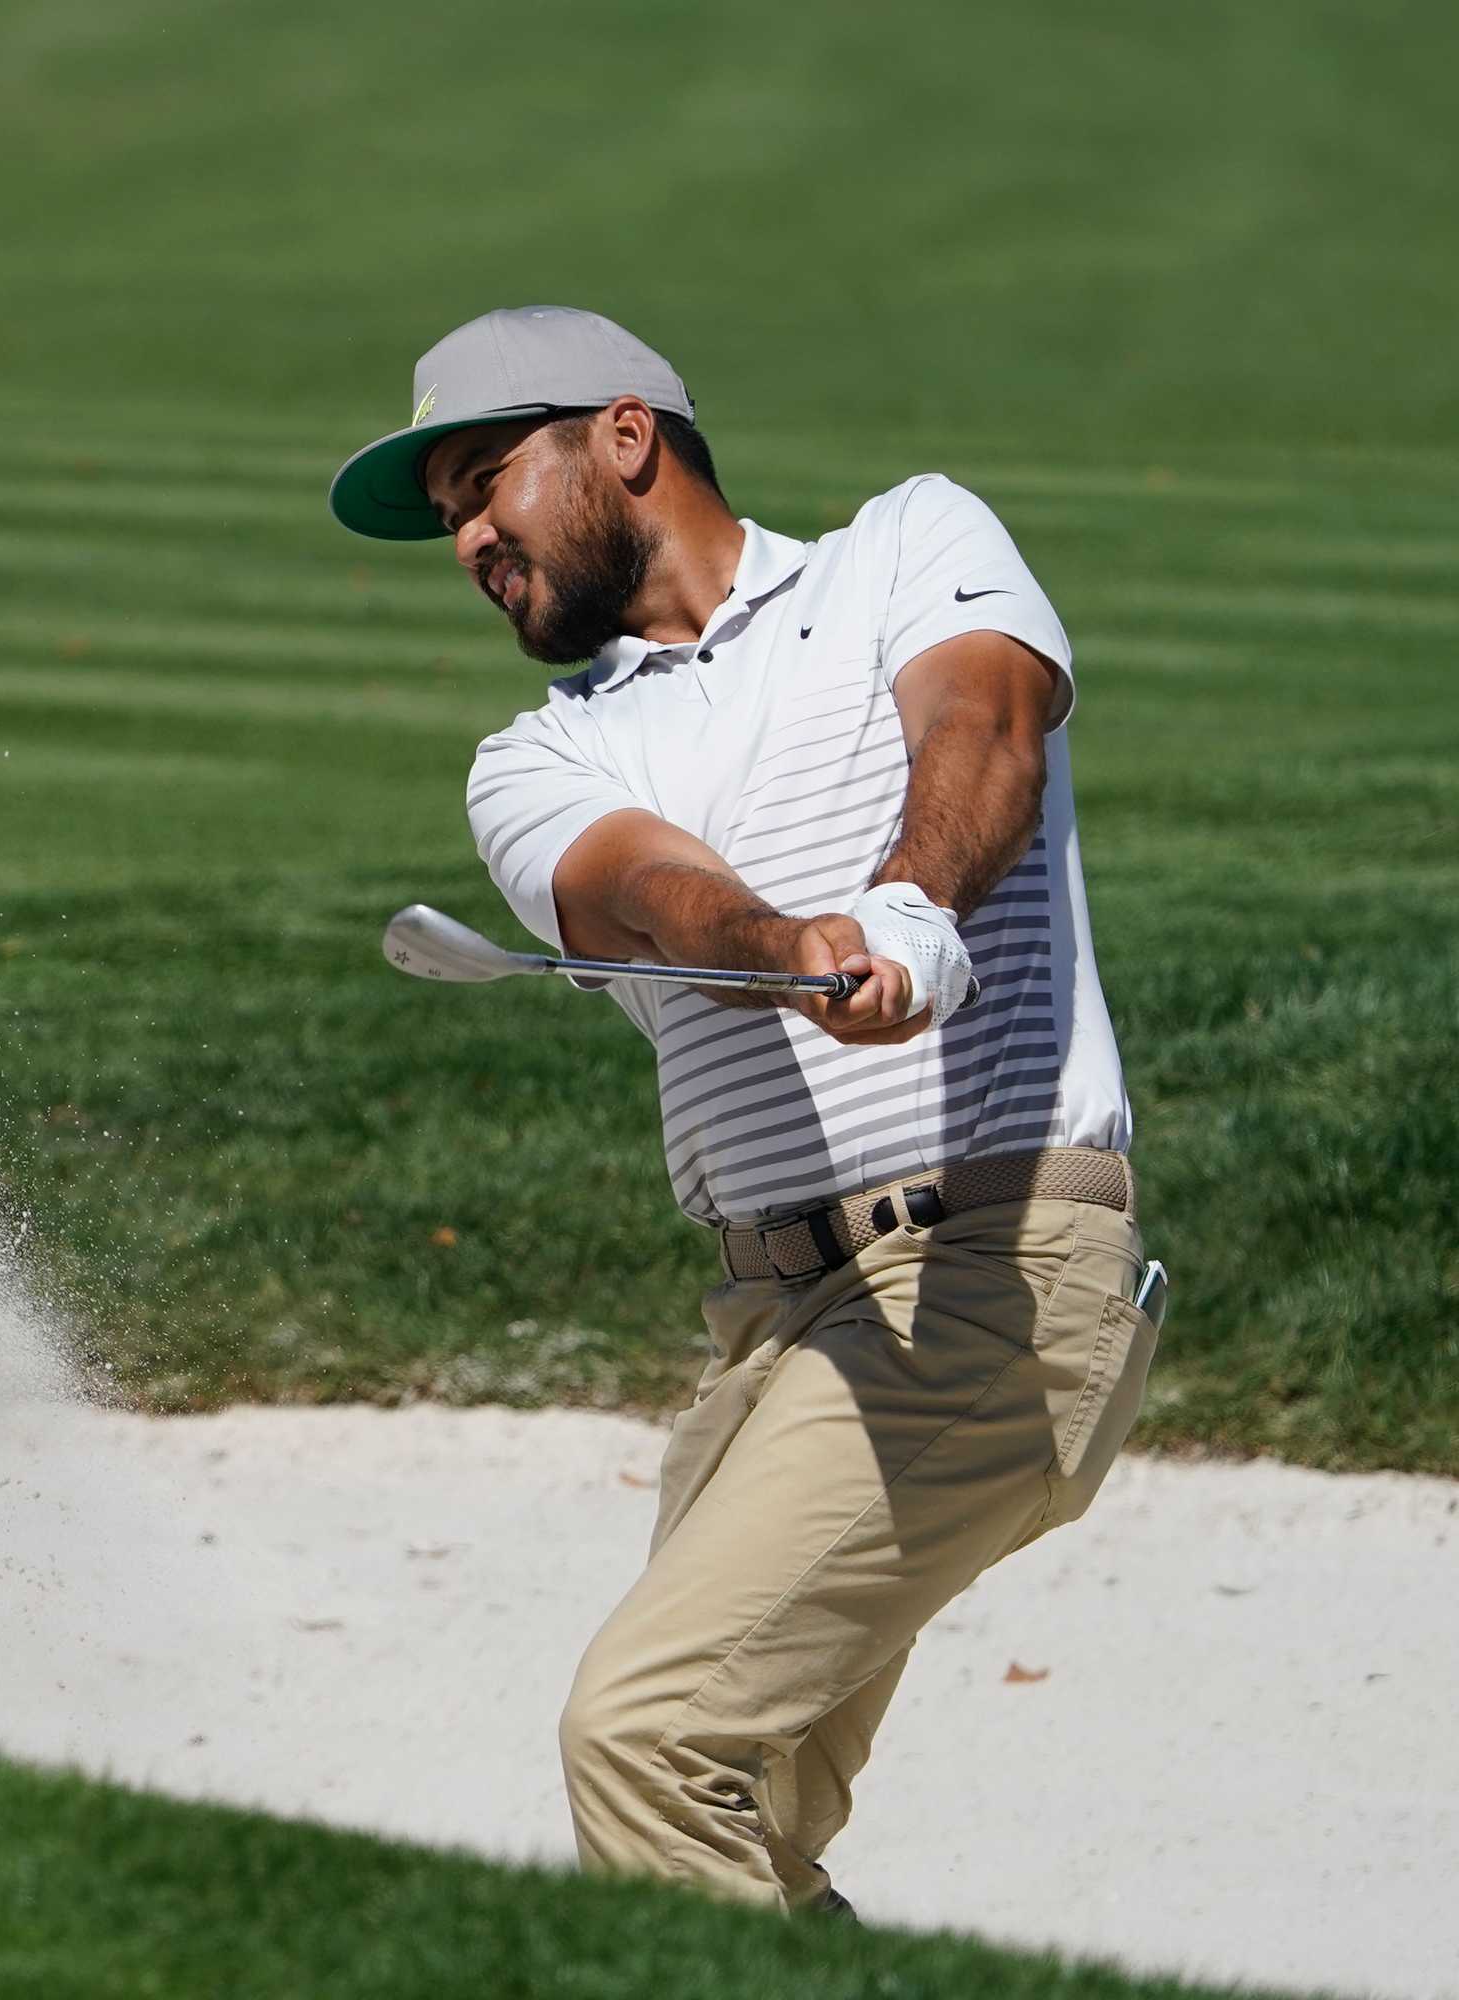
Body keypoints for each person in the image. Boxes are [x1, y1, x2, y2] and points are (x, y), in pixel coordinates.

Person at [328, 305, 1161, 1915]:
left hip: (987, 1275)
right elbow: (648, 893)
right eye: (450, 522)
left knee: (642, 1741)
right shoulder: (538, 757)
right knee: (731, 1831)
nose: (472, 540)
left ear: (626, 437)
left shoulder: (910, 545)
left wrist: (911, 913)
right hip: (776, 1338)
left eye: (488, 482)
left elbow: (982, 725)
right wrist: (788, 945)